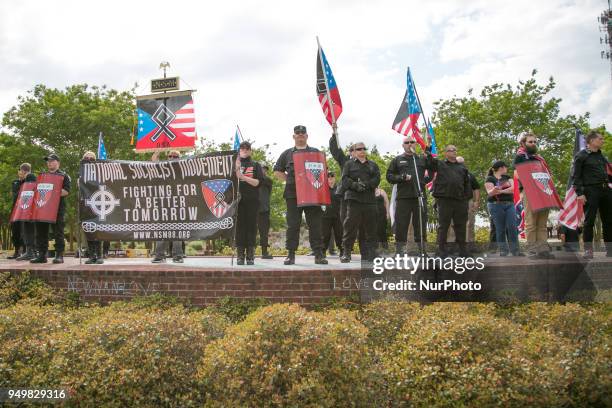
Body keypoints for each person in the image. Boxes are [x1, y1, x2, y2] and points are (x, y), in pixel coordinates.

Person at [274, 125, 327, 265]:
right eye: (297, 133)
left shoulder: (316, 153)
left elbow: (322, 172)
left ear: (307, 136)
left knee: (315, 225)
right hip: (293, 194)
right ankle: (290, 254)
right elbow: (277, 171)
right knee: (293, 225)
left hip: (313, 195)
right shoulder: (287, 154)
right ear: (294, 136)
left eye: (303, 133)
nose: (300, 135)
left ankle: (319, 254)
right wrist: (292, 181)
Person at [386, 136, 433, 255]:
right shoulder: (397, 160)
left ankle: (422, 250)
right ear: (403, 145)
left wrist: (428, 148)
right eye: (406, 142)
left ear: (415, 144)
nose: (409, 144)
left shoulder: (421, 159)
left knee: (420, 224)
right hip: (403, 197)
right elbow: (389, 177)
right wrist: (401, 178)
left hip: (419, 196)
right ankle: (399, 251)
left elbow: (432, 169)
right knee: (401, 224)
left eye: (412, 142)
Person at [513, 132, 556, 259]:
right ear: (523, 143)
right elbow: (517, 175)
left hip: (544, 190)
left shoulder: (539, 158)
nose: (533, 144)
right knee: (531, 222)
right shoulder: (520, 157)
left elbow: (548, 174)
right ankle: (532, 249)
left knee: (542, 222)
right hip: (530, 191)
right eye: (530, 142)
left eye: (535, 142)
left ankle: (543, 249)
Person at [340, 142, 381, 263]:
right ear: (354, 151)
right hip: (354, 199)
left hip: (369, 200)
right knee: (350, 226)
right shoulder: (348, 164)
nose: (362, 151)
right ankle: (346, 252)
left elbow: (377, 178)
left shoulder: (373, 165)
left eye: (364, 148)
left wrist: (367, 184)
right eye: (359, 149)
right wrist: (355, 185)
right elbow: (344, 179)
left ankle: (372, 253)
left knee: (371, 227)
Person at [573, 130, 611, 258]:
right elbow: (576, 177)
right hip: (590, 191)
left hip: (606, 190)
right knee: (589, 221)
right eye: (600, 139)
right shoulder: (581, 156)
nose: (602, 141)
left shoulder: (602, 156)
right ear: (592, 141)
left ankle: (610, 250)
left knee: (608, 221)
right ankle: (588, 251)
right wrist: (579, 193)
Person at [430, 145, 471, 257]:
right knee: (443, 225)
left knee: (461, 225)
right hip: (444, 199)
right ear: (446, 153)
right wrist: (428, 146)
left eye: (455, 150)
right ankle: (441, 250)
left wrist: (466, 199)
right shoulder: (440, 164)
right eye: (450, 150)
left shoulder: (462, 168)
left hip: (460, 200)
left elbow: (467, 184)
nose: (453, 152)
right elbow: (429, 161)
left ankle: (462, 250)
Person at [30, 154, 71, 264]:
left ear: (58, 162)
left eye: (52, 161)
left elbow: (66, 192)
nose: (49, 163)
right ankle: (42, 255)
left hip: (57, 209)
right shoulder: (42, 176)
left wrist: (53, 191)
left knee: (58, 232)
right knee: (40, 231)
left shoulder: (64, 176)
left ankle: (59, 255)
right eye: (48, 161)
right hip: (42, 208)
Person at [151, 150, 185, 263]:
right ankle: (160, 255)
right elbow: (154, 163)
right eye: (170, 156)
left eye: (175, 156)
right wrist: (156, 153)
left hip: (178, 203)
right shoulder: (163, 167)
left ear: (179, 158)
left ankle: (178, 255)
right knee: (161, 230)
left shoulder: (184, 168)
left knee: (177, 231)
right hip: (164, 203)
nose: (172, 158)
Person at [235, 141, 264, 265]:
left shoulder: (256, 165)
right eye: (242, 148)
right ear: (239, 150)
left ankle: (250, 255)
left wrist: (243, 177)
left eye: (247, 148)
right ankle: (240, 255)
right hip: (238, 201)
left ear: (250, 151)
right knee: (239, 228)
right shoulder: (234, 165)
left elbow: (258, 182)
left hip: (252, 200)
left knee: (251, 227)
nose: (245, 150)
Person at [484, 160, 523, 256]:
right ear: (501, 168)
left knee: (512, 226)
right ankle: (503, 251)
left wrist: (500, 191)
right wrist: (495, 190)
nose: (506, 168)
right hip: (495, 205)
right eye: (505, 167)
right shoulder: (490, 178)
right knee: (500, 228)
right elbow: (490, 192)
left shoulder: (508, 177)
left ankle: (515, 250)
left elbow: (513, 189)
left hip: (510, 204)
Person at [10, 163, 37, 260]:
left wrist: (26, 179)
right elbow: (16, 194)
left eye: (25, 171)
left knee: (26, 230)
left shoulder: (32, 178)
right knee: (15, 230)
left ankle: (28, 251)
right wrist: (22, 182)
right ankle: (17, 251)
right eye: (21, 170)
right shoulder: (15, 182)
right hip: (16, 209)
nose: (22, 172)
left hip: (27, 209)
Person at [81, 151, 105, 264]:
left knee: (98, 231)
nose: (89, 160)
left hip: (99, 205)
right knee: (89, 230)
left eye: (91, 159)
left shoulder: (100, 173)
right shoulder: (81, 174)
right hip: (86, 206)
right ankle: (91, 255)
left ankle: (99, 255)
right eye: (86, 158)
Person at [321, 171, 343, 257]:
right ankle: (323, 252)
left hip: (338, 215)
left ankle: (342, 250)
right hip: (325, 215)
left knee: (340, 233)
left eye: (332, 177)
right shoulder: (323, 189)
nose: (330, 179)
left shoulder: (339, 188)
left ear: (335, 178)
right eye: (329, 177)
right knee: (325, 234)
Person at [257, 164, 274, 259]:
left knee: (264, 232)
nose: (264, 171)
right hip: (253, 209)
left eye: (265, 170)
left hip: (264, 209)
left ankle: (264, 252)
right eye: (261, 169)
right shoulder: (252, 180)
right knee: (250, 232)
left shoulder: (268, 180)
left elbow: (263, 180)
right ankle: (249, 252)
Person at [374, 187, 390, 253]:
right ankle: (376, 249)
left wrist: (388, 213)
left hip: (382, 214)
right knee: (374, 231)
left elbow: (387, 202)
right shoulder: (368, 192)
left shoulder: (381, 191)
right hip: (372, 215)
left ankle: (385, 248)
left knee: (382, 230)